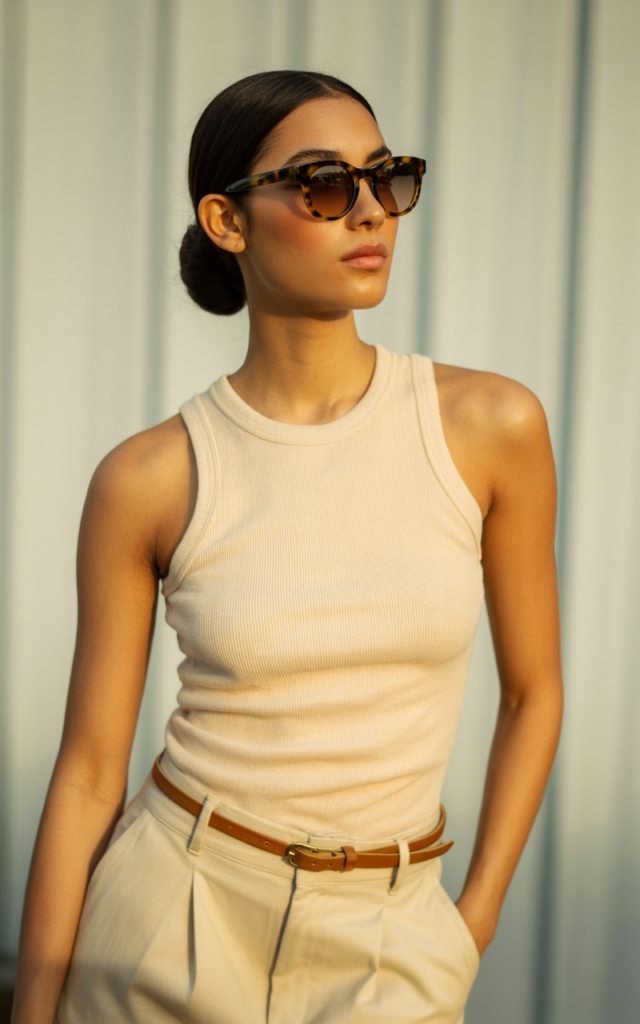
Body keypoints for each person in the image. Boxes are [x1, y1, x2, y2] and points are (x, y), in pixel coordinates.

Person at [11, 70, 563, 1024]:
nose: (369, 212)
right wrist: (35, 1006)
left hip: (394, 942)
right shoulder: (148, 477)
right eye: (323, 183)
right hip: (170, 918)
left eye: (386, 178)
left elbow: (534, 692)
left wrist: (467, 927)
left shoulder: (490, 426)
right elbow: (90, 771)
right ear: (228, 222)